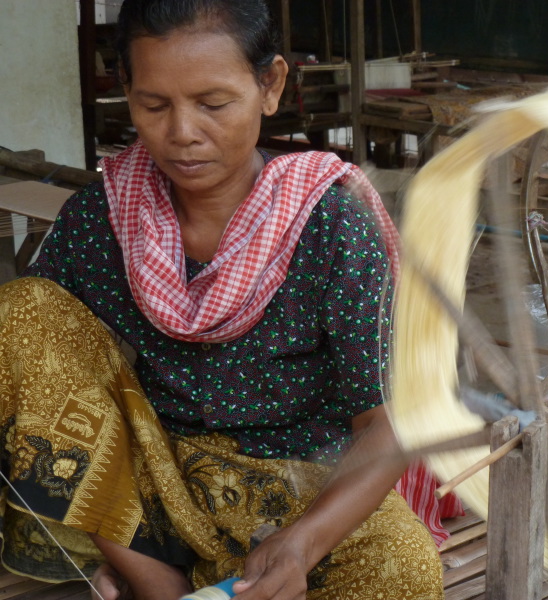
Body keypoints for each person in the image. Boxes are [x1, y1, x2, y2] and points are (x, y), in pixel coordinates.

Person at [0, 0, 445, 598]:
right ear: (127, 92)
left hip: (293, 491)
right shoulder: (102, 216)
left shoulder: (330, 222)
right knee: (22, 311)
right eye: (153, 106)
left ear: (270, 85)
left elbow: (389, 422)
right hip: (150, 492)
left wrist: (302, 544)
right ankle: (156, 582)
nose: (182, 133)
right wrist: (127, 550)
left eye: (213, 104)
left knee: (403, 569)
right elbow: (42, 388)